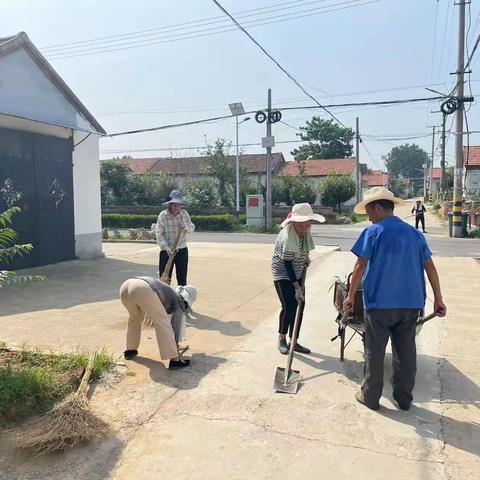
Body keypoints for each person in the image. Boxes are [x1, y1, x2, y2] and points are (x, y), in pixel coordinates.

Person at [344, 187, 446, 411]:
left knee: (375, 351)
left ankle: (370, 397)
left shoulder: (373, 232)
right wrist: (438, 299)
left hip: (379, 304)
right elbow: (430, 266)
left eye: (369, 211)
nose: (369, 217)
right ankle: (404, 398)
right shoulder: (414, 234)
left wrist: (350, 296)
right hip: (410, 304)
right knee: (406, 352)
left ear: (379, 208)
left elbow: (360, 265)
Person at [271, 203, 325, 355]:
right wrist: (297, 287)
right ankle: (281, 338)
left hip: (298, 270)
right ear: (293, 222)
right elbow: (287, 264)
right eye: (300, 226)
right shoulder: (285, 238)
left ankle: (294, 340)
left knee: (300, 306)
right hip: (283, 272)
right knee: (289, 306)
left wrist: (305, 257)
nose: (303, 229)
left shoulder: (305, 232)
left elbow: (302, 248)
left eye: (307, 225)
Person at [120, 276, 197, 369]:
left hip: (126, 286)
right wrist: (175, 345)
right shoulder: (179, 301)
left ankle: (130, 350)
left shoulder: (169, 292)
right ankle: (175, 360)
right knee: (162, 322)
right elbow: (175, 326)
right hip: (141, 288)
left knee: (134, 318)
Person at [156, 190, 195, 285]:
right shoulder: (163, 216)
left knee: (182, 278)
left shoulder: (184, 214)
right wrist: (166, 248)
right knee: (164, 279)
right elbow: (158, 233)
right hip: (166, 251)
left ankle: (181, 298)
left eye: (179, 204)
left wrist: (186, 226)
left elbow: (192, 228)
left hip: (181, 250)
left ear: (181, 205)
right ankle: (165, 299)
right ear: (169, 204)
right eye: (174, 204)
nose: (176, 207)